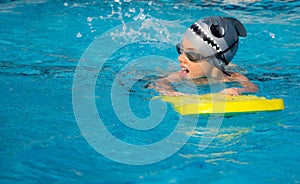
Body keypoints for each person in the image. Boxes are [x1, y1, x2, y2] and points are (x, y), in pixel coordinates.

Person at [154, 16, 258, 96]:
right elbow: (160, 83)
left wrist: (238, 90)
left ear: (217, 60)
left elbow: (252, 87)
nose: (180, 58)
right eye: (180, 50)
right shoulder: (181, 76)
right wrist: (173, 94)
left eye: (191, 55)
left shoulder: (231, 77)